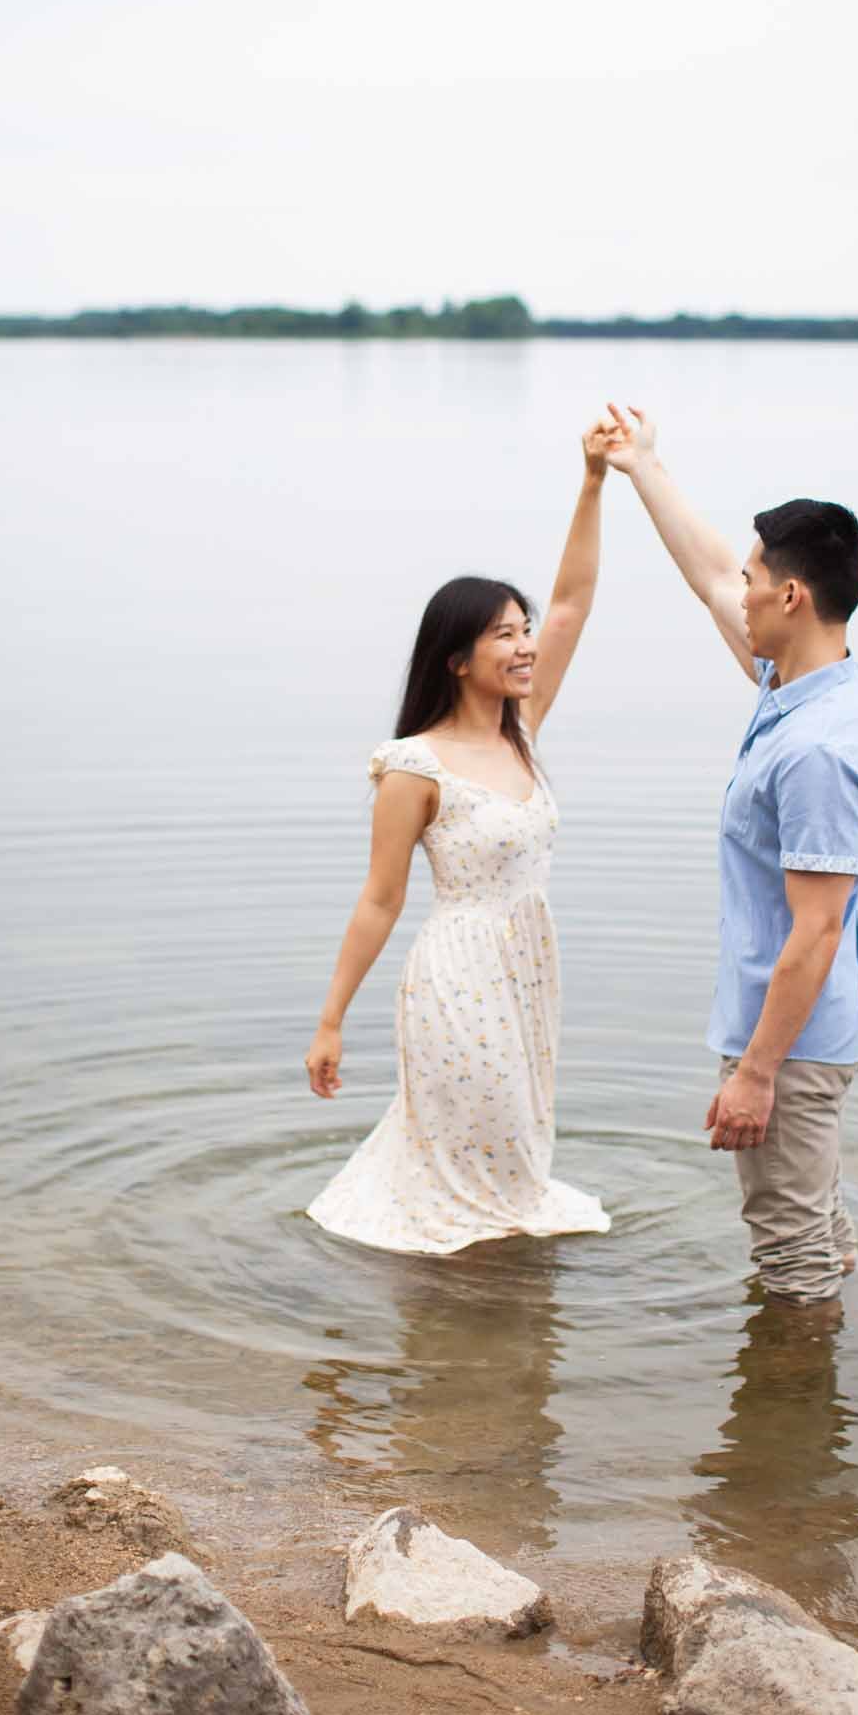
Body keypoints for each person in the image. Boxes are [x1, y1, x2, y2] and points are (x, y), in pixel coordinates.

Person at [604, 404, 858, 1303]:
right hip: (813, 1026)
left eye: (754, 577)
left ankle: (788, 1438)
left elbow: (815, 929)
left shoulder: (815, 748)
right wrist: (642, 466)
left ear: (792, 597)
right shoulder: (803, 688)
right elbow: (705, 576)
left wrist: (756, 1074)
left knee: (790, 1261)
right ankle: (814, 1428)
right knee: (816, 1228)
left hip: (793, 1040)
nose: (741, 589)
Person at [304, 426, 615, 1255]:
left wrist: (592, 481)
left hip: (528, 967)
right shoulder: (414, 766)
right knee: (476, 1163)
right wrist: (330, 1022)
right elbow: (379, 900)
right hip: (458, 972)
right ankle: (464, 1331)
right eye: (504, 636)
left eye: (524, 629)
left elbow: (575, 601)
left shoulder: (523, 729)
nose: (524, 646)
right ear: (454, 660)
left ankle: (484, 1317)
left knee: (514, 1157)